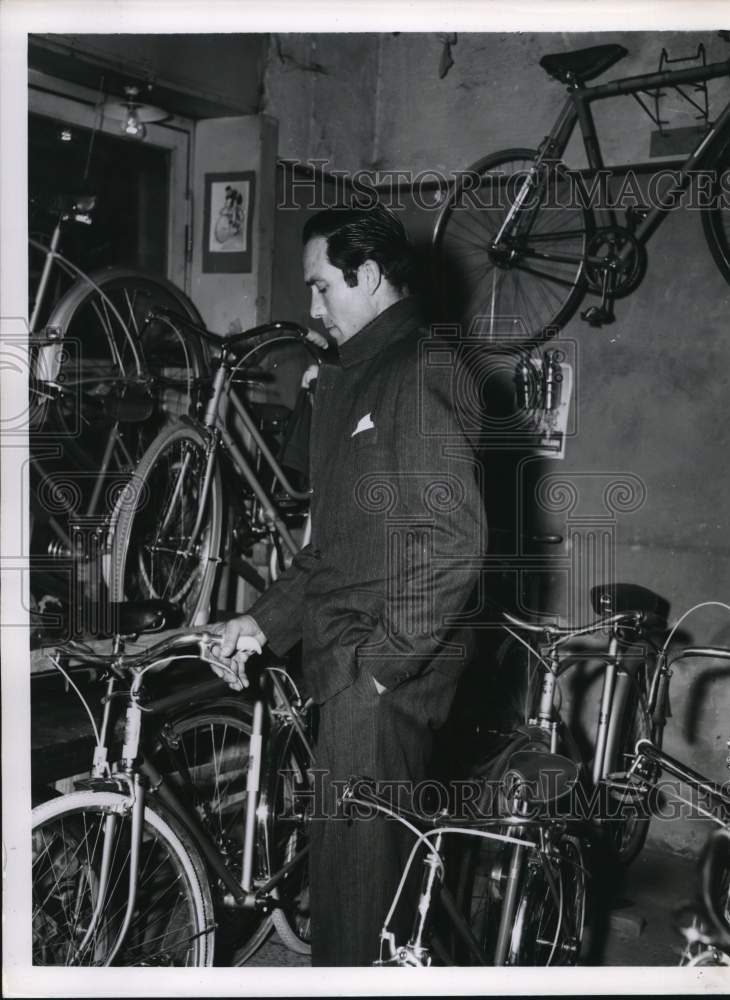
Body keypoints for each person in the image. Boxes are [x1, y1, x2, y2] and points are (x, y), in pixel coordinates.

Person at [210, 204, 487, 966]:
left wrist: (380, 669)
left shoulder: (423, 370)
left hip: (381, 677)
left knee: (361, 908)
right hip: (346, 664)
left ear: (367, 276)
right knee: (349, 890)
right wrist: (262, 623)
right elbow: (335, 546)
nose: (311, 307)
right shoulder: (352, 373)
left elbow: (455, 544)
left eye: (322, 286)